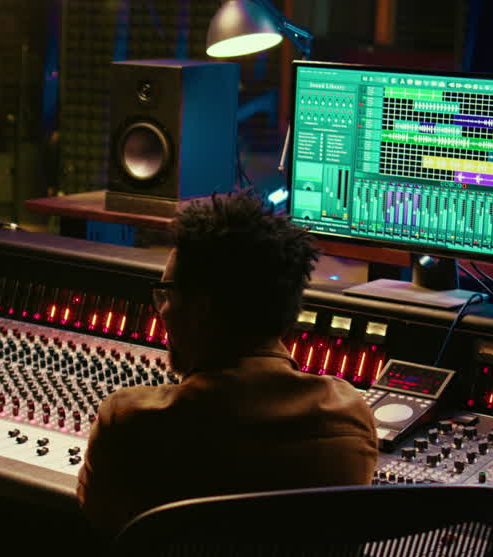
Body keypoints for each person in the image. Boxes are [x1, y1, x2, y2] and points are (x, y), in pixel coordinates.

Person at [77, 190, 378, 536]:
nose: (161, 309)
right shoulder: (350, 417)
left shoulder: (129, 421)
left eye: (167, 293)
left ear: (202, 308)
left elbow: (97, 521)